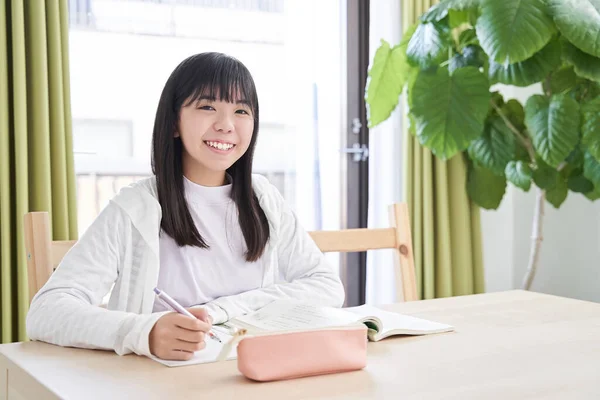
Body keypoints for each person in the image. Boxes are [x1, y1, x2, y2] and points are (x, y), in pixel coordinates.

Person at [26, 52, 345, 361]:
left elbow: (326, 286)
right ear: (174, 122)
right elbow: (47, 310)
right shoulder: (137, 207)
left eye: (241, 111)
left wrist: (221, 311)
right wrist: (144, 331)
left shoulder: (263, 198)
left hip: (248, 373)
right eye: (207, 106)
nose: (226, 125)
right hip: (159, 382)